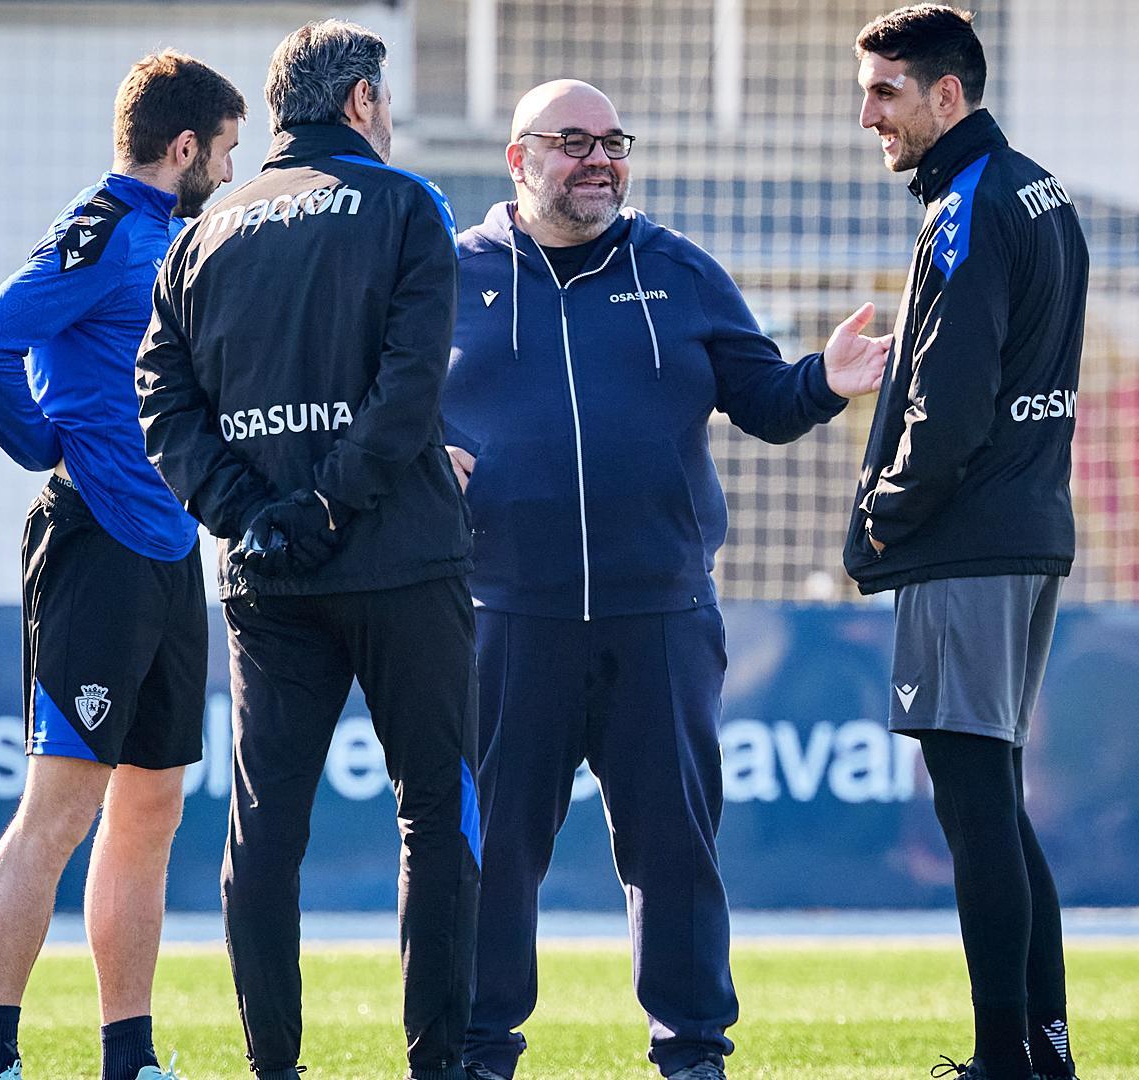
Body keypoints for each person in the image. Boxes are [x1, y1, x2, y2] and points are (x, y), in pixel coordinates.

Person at [442, 80, 889, 1080]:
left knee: (676, 854)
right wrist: (421, 457)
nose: (599, 159)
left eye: (613, 142)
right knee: (492, 857)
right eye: (573, 143)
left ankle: (692, 1056)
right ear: (519, 161)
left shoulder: (681, 271)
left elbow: (766, 402)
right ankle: (476, 1054)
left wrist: (828, 376)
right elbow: (384, 409)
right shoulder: (445, 276)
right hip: (504, 619)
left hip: (663, 619)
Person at [135, 20, 478, 1080]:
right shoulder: (406, 205)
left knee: (265, 830)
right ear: (364, 101)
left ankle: (271, 1068)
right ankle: (437, 1064)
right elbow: (411, 387)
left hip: (265, 577)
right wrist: (329, 504)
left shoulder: (204, 228)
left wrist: (245, 511)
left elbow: (160, 392)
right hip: (402, 561)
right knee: (436, 811)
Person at [0, 48, 245, 1080]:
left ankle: (131, 1055)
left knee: (152, 809)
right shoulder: (108, 227)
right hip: (95, 548)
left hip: (171, 551)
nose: (228, 167)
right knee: (62, 805)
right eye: (224, 150)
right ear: (184, 147)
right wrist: (45, 442)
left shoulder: (176, 236)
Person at [842, 7, 1089, 1079]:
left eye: (886, 91)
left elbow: (949, 401)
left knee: (975, 804)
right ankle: (1042, 1050)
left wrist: (883, 514)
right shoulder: (1039, 188)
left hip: (969, 537)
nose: (868, 115)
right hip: (1029, 528)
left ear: (950, 95)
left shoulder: (968, 207)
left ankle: (1005, 1060)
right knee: (997, 798)